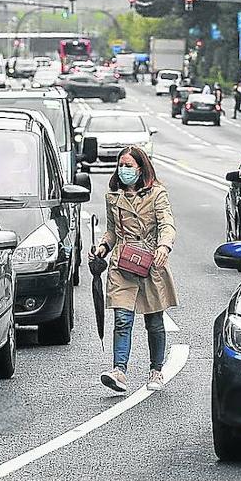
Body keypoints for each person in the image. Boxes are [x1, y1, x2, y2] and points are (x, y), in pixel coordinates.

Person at [91, 146, 177, 393]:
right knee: (122, 319)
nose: (123, 170)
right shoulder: (113, 197)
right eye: (121, 165)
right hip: (122, 263)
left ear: (141, 168)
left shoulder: (157, 194)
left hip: (151, 262)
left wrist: (164, 246)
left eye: (128, 166)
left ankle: (156, 370)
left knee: (154, 321)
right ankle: (119, 371)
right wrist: (103, 247)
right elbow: (112, 231)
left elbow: (167, 224)